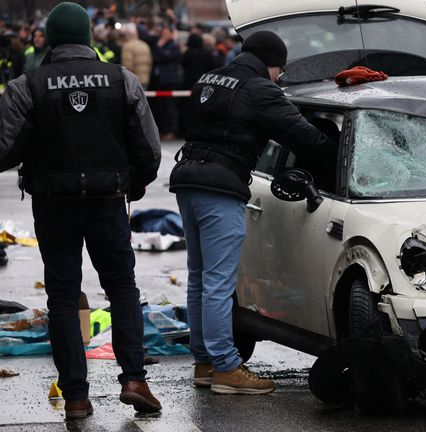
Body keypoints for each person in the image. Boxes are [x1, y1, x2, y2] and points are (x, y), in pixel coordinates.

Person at [0, 2, 162, 420]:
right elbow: (148, 148)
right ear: (89, 38)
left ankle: (75, 396)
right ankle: (133, 379)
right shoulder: (121, 79)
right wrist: (136, 181)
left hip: (53, 204)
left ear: (50, 40)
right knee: (122, 289)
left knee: (63, 297)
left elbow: (3, 148)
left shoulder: (27, 86)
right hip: (108, 201)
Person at [169, 31, 334, 395]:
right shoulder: (259, 88)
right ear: (273, 64)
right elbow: (301, 135)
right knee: (218, 281)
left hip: (187, 180)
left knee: (199, 278)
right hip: (220, 186)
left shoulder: (209, 77)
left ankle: (205, 362)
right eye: (280, 70)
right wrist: (332, 153)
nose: (280, 78)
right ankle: (226, 367)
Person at [120, 23, 152, 89]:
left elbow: (127, 66)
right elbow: (150, 63)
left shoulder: (127, 46)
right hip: (145, 79)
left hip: (133, 82)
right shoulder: (144, 45)